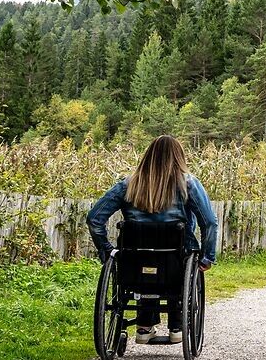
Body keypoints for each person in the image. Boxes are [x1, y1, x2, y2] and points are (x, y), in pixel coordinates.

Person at [87, 135, 219, 345]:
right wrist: (207, 257)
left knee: (145, 265)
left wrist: (107, 250)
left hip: (134, 261)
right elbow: (210, 222)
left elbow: (94, 218)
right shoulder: (188, 184)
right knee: (177, 260)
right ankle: (177, 326)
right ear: (178, 157)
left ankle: (144, 326)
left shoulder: (128, 184)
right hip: (176, 259)